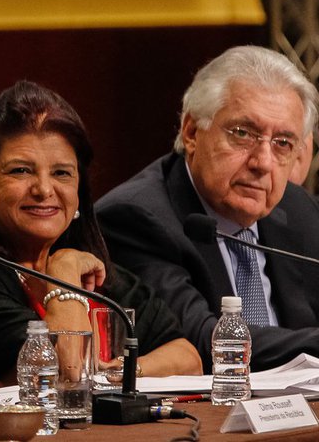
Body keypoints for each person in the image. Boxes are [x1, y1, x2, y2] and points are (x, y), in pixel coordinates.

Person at [0, 81, 201, 398]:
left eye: (62, 173)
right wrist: (64, 271)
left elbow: (187, 358)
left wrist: (120, 373)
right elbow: (70, 372)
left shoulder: (101, 276)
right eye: (21, 170)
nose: (43, 189)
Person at [96, 45, 319, 371]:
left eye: (282, 143)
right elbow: (206, 343)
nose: (263, 163)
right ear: (191, 132)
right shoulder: (137, 218)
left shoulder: (299, 210)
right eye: (243, 134)